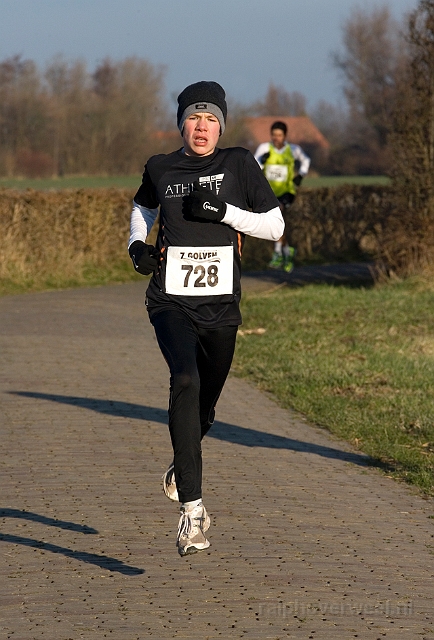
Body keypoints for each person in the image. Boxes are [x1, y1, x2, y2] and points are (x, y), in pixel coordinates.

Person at [128, 81, 284, 557]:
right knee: (184, 379)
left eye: (211, 119)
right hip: (169, 299)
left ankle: (183, 463)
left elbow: (274, 225)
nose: (202, 127)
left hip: (220, 307)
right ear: (181, 124)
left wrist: (225, 211)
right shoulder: (161, 167)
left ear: (221, 124)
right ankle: (192, 515)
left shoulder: (238, 163)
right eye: (194, 118)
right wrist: (137, 245)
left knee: (205, 407)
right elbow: (142, 206)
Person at [254, 120, 310, 272]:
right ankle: (287, 251)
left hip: (287, 191)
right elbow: (253, 167)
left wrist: (301, 175)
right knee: (275, 222)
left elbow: (306, 160)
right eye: (274, 135)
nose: (276, 138)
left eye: (279, 135)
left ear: (285, 136)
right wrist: (261, 161)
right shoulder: (264, 148)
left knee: (277, 214)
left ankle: (278, 252)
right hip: (269, 191)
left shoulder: (293, 149)